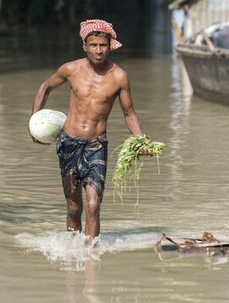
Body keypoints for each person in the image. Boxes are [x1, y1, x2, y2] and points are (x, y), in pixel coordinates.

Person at [31, 19, 150, 243]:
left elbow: (129, 113)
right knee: (74, 206)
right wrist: (34, 122)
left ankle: (91, 257)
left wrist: (140, 140)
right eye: (93, 45)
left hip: (96, 145)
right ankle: (71, 250)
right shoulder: (71, 69)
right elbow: (44, 87)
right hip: (68, 142)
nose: (98, 50)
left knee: (94, 205)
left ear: (110, 45)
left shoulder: (119, 76)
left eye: (102, 45)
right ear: (84, 46)